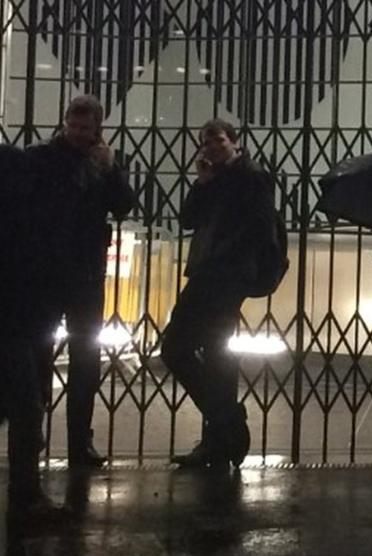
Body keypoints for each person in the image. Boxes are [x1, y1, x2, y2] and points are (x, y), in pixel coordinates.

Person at [162, 119, 277, 468]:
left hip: (225, 276)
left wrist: (226, 259)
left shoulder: (251, 175)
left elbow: (258, 226)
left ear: (235, 142)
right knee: (209, 354)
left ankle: (223, 428)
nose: (211, 146)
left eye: (218, 140)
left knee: (181, 348)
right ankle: (224, 430)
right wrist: (203, 183)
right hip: (209, 272)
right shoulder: (215, 178)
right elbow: (187, 220)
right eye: (206, 142)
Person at [28, 94, 134, 467]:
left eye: (85, 129)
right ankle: (30, 434)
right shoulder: (40, 158)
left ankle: (79, 442)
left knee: (85, 358)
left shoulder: (100, 163)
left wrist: (111, 169)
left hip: (85, 273)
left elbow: (124, 206)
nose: (77, 133)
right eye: (73, 126)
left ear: (97, 130)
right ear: (65, 122)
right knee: (39, 355)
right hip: (46, 271)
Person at [0, 144, 64, 520]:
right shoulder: (26, 221)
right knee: (26, 408)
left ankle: (27, 492)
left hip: (17, 323)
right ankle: (26, 493)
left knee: (23, 407)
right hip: (16, 325)